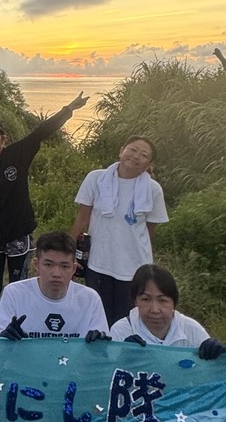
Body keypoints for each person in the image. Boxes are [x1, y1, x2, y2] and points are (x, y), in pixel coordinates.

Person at [103, 262, 226, 422]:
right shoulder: (122, 330)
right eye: (145, 299)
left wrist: (219, 356)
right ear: (134, 301)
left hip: (178, 408)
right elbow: (107, 382)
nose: (154, 309)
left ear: (174, 303)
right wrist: (120, 357)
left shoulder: (191, 330)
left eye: (163, 300)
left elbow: (211, 378)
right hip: (138, 409)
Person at [0, 92, 88, 324]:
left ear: (3, 139)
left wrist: (69, 108)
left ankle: (18, 326)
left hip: (18, 233)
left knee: (18, 284)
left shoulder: (18, 154)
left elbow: (42, 131)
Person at [69, 135, 168, 327]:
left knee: (128, 321)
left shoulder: (153, 189)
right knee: (99, 318)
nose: (136, 156)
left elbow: (149, 231)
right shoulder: (96, 178)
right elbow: (82, 218)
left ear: (149, 163)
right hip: (99, 262)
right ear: (121, 150)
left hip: (134, 268)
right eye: (133, 150)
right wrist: (69, 252)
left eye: (144, 154)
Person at [0, 231, 108, 340]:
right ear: (36, 265)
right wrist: (4, 338)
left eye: (64, 266)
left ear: (74, 268)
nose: (56, 274)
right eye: (48, 265)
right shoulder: (14, 294)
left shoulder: (90, 299)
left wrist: (99, 344)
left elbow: (102, 353)